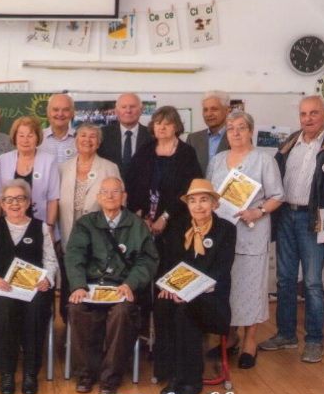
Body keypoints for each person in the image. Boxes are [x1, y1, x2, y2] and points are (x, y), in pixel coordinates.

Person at [259, 96, 324, 363]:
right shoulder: (290, 142)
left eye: (313, 113)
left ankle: (314, 340)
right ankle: (286, 335)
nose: (308, 118)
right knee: (285, 280)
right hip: (286, 217)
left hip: (315, 221)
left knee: (312, 282)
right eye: (303, 114)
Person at [65, 177, 159, 394]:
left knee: (122, 312)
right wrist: (78, 286)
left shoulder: (137, 225)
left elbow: (147, 260)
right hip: (90, 287)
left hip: (121, 288)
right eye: (105, 192)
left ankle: (110, 378)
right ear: (98, 197)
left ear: (124, 196)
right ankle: (85, 374)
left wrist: (130, 284)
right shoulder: (85, 223)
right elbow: (74, 256)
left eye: (115, 191)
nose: (110, 196)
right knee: (76, 308)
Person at [207, 111, 284, 368]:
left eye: (241, 127)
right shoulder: (217, 160)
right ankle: (230, 337)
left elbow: (277, 196)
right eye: (231, 128)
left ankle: (250, 340)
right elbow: (208, 193)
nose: (236, 133)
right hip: (221, 235)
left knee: (250, 289)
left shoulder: (264, 160)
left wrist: (257, 211)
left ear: (250, 131)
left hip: (251, 231)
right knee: (226, 288)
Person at [154, 179, 236, 394]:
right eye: (193, 201)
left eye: (204, 200)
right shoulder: (179, 228)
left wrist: (187, 292)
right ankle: (171, 373)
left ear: (214, 204)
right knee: (162, 303)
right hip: (182, 293)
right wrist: (169, 287)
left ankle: (191, 380)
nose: (198, 206)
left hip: (212, 300)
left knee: (186, 311)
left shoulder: (226, 230)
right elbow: (171, 264)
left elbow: (220, 271)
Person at [0, 180, 58, 394]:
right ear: (2, 204)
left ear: (28, 202)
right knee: (5, 308)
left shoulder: (41, 227)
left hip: (34, 289)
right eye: (9, 200)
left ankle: (31, 373)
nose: (15, 204)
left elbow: (51, 260)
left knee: (37, 309)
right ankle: (7, 373)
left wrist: (47, 279)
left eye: (20, 199)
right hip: (1, 288)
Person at [126, 106, 202, 273]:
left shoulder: (186, 153)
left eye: (167, 124)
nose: (161, 127)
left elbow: (189, 189)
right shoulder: (145, 150)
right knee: (144, 267)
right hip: (145, 222)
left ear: (176, 127)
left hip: (176, 221)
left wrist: (165, 217)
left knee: (170, 267)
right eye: (158, 123)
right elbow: (132, 183)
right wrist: (141, 215)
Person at [58, 123, 120, 318]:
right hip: (68, 233)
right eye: (83, 135)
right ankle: (70, 325)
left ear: (99, 143)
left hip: (99, 237)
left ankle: (92, 323)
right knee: (70, 276)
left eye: (92, 136)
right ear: (75, 140)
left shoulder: (110, 167)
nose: (87, 140)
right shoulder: (63, 168)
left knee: (93, 281)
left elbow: (119, 203)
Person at [0, 116, 60, 228]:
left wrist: (50, 227)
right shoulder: (4, 159)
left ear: (37, 138)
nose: (25, 140)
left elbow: (53, 199)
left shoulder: (49, 161)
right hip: (9, 224)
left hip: (40, 224)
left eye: (30, 135)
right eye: (21, 135)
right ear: (15, 137)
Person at [98, 93, 154, 183]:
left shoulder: (152, 135)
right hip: (110, 189)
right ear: (116, 111)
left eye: (132, 107)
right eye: (123, 107)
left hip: (143, 190)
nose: (128, 110)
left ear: (141, 110)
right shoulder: (102, 134)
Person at [186, 91, 231, 175]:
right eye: (205, 110)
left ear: (227, 110)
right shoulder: (193, 139)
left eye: (214, 109)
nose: (209, 114)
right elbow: (186, 171)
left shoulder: (237, 137)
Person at [38, 93, 77, 164]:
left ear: (72, 113)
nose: (60, 114)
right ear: (48, 112)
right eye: (55, 110)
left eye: (66, 110)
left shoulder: (81, 139)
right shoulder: (37, 138)